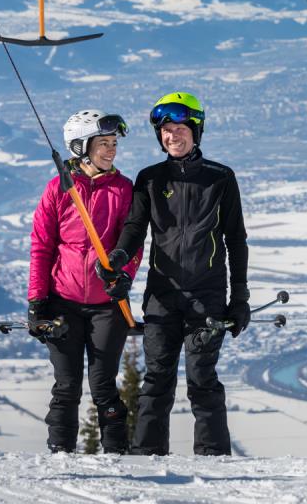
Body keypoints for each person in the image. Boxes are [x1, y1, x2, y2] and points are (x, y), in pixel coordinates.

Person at [101, 91, 249, 456]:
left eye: (179, 128)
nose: (171, 136)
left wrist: (240, 298)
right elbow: (135, 228)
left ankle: (214, 461)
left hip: (207, 296)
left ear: (196, 131)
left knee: (202, 380)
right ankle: (147, 459)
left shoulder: (220, 178)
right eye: (166, 130)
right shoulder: (149, 179)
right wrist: (119, 257)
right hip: (162, 296)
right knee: (156, 381)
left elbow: (236, 239)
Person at [26, 109, 142, 454]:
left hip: (108, 306)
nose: (111, 150)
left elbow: (132, 243)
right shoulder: (59, 189)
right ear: (80, 147)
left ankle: (117, 455)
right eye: (103, 143)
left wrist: (124, 277)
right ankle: (59, 454)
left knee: (103, 385)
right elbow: (42, 246)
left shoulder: (123, 189)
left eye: (113, 143)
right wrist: (37, 302)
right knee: (67, 385)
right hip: (64, 303)